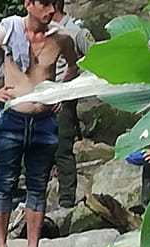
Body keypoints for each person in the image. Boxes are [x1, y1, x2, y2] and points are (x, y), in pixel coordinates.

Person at [0, 0, 79, 247]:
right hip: (12, 118)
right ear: (28, 4)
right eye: (44, 3)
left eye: (55, 4)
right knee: (4, 183)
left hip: (44, 122)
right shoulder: (8, 31)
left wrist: (59, 93)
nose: (50, 9)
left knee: (37, 186)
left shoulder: (62, 38)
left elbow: (74, 68)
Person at [51, 0, 91, 209]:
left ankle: (66, 200)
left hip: (63, 99)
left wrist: (72, 88)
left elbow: (95, 59)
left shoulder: (75, 31)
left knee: (63, 149)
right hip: (41, 98)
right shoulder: (42, 30)